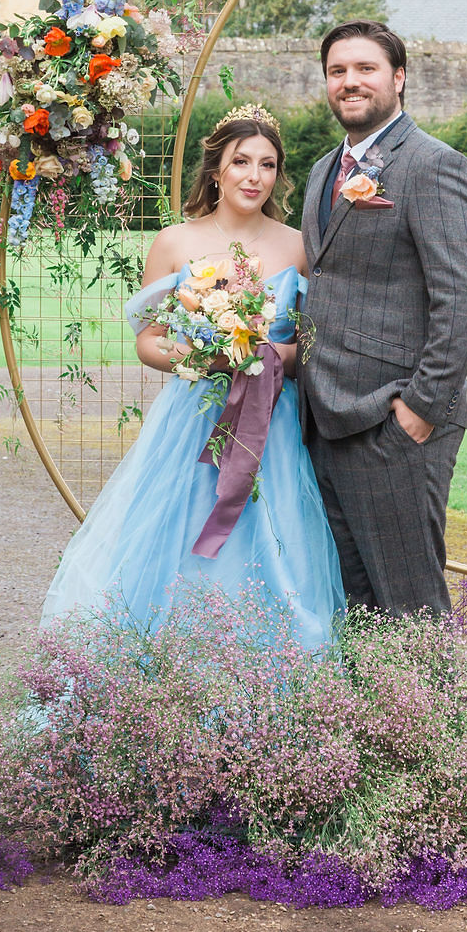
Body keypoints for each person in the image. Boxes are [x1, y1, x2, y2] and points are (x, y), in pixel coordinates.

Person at [40, 107, 344, 649]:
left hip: (270, 425)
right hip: (194, 420)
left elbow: (311, 345)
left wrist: (264, 353)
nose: (255, 176)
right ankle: (173, 663)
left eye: (268, 165)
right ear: (216, 171)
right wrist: (206, 355)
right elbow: (148, 340)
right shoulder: (175, 243)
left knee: (275, 546)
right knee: (177, 542)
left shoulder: (299, 245)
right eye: (242, 162)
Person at [298, 21, 467, 617]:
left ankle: (433, 711)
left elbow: (461, 299)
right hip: (324, 418)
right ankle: (373, 711)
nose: (350, 82)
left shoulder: (434, 166)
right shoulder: (321, 172)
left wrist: (419, 411)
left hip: (393, 422)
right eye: (337, 71)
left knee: (410, 603)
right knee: (354, 603)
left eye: (365, 69)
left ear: (399, 78)